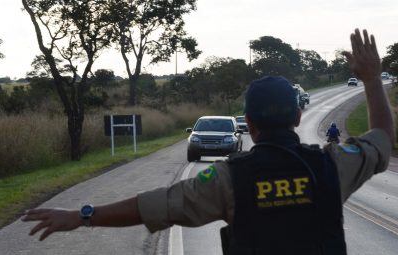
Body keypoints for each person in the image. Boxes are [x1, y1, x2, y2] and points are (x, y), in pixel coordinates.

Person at [22, 29, 393, 254]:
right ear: (298, 117)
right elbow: (380, 140)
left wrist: (82, 216)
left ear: (247, 122)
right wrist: (373, 79)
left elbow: (154, 206)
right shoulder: (332, 165)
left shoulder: (227, 180)